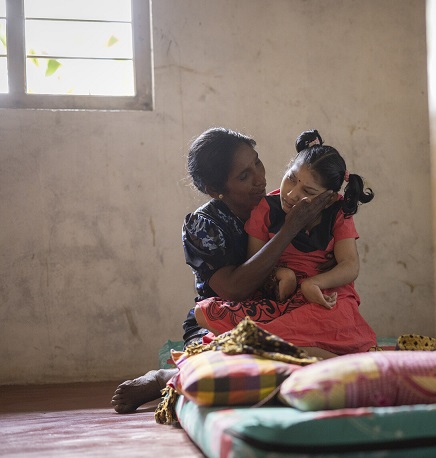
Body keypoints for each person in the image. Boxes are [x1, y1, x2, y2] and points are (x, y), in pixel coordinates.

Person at [111, 127, 334, 414]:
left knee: (319, 358)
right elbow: (234, 288)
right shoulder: (204, 225)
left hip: (278, 313)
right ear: (216, 190)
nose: (259, 178)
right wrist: (290, 229)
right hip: (219, 319)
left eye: (257, 162)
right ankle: (165, 378)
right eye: (244, 176)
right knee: (229, 369)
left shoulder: (282, 204)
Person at [194, 142, 377, 358]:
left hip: (322, 295)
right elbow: (253, 263)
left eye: (307, 191)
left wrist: (315, 282)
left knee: (337, 318)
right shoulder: (265, 209)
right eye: (291, 178)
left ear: (327, 199)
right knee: (206, 312)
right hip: (280, 298)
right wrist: (282, 274)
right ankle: (310, 353)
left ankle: (281, 349)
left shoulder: (337, 212)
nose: (291, 194)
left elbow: (350, 264)